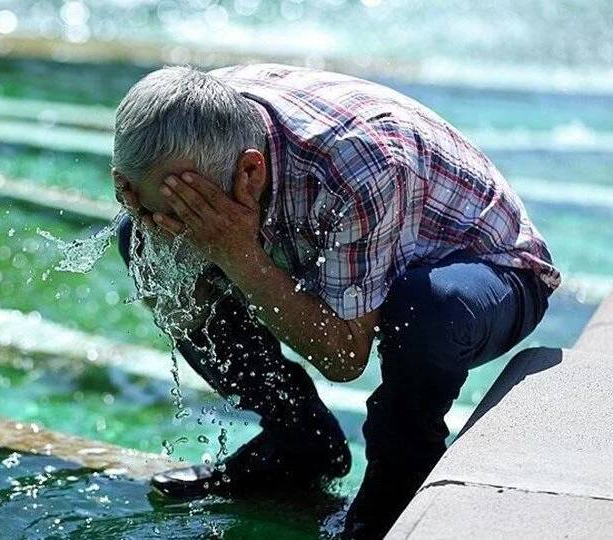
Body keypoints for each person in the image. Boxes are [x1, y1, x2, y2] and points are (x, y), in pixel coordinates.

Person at [111, 64, 558, 539]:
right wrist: (154, 228)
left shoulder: (360, 163)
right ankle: (300, 441)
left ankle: (396, 490)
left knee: (424, 307)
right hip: (339, 241)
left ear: (249, 171)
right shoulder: (175, 123)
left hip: (491, 272)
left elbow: (344, 357)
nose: (168, 222)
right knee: (142, 245)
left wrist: (239, 256)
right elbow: (155, 227)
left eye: (190, 211)